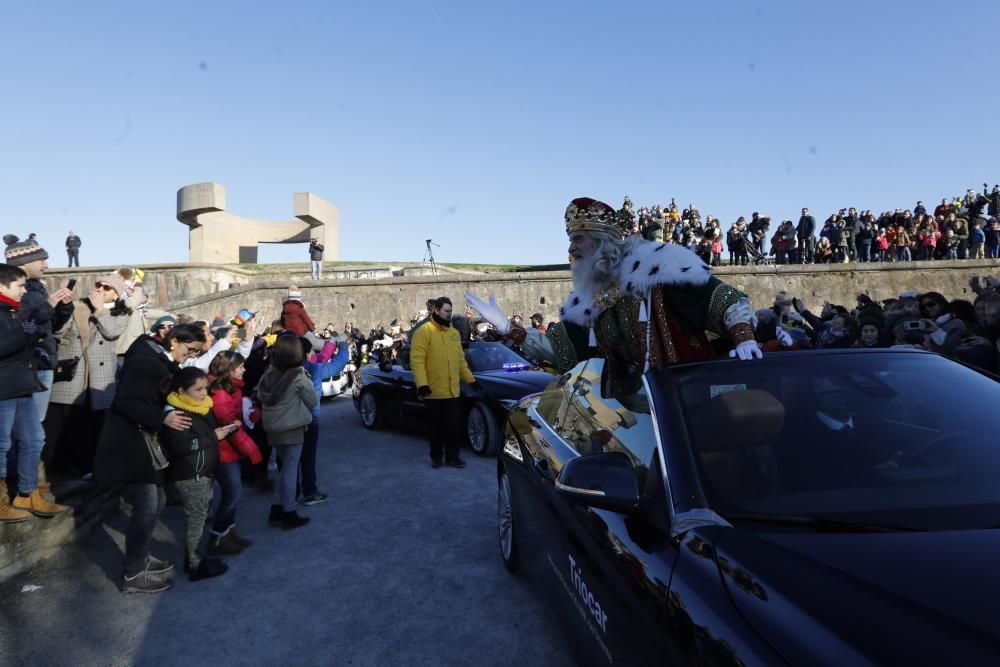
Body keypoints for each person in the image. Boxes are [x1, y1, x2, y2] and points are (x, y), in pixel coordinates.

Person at [468, 197, 760, 399]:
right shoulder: (589, 300)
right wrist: (509, 328)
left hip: (689, 397)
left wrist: (743, 336)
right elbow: (560, 348)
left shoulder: (660, 269)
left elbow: (723, 299)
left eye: (577, 239)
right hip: (640, 409)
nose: (571, 249)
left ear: (601, 240)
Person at [93, 322, 206, 593]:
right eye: (189, 350)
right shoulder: (145, 361)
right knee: (147, 504)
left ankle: (140, 559)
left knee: (158, 501)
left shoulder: (157, 359)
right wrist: (162, 417)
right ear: (175, 340)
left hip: (146, 441)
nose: (189, 356)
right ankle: (133, 573)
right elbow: (126, 402)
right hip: (131, 443)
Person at [3, 235, 74, 496]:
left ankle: (28, 483)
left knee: (33, 431)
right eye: (41, 259)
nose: (46, 264)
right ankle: (20, 484)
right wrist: (48, 306)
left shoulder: (35, 289)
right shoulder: (18, 295)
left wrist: (62, 309)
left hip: (37, 363)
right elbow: (25, 327)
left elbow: (42, 326)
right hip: (24, 367)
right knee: (20, 432)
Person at [47, 274, 131, 476]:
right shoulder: (78, 306)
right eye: (99, 285)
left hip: (98, 378)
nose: (101, 289)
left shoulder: (121, 313)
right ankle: (54, 471)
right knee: (61, 426)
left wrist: (100, 310)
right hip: (73, 374)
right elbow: (57, 332)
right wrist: (62, 309)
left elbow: (112, 333)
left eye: (107, 288)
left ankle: (86, 468)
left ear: (116, 295)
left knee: (92, 428)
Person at [159, 366, 232, 581]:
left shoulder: (200, 407)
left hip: (202, 472)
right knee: (197, 520)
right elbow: (180, 446)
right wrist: (213, 436)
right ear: (181, 391)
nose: (204, 394)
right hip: (191, 475)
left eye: (205, 388)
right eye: (198, 389)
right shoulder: (177, 414)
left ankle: (195, 558)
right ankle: (194, 564)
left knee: (199, 517)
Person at [256, 332, 315, 529]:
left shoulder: (269, 373)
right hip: (291, 427)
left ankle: (276, 508)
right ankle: (288, 512)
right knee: (290, 470)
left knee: (284, 469)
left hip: (272, 429)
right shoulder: (298, 375)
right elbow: (312, 401)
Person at [410, 296, 477, 469]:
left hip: (452, 391)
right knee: (436, 428)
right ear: (437, 310)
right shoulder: (423, 332)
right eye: (446, 311)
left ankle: (453, 458)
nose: (449, 314)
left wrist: (471, 379)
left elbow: (460, 361)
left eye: (451, 311)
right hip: (433, 391)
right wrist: (422, 384)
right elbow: (417, 361)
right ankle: (436, 458)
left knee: (453, 428)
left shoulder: (454, 334)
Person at [207, 351, 262, 553]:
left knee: (233, 492)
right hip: (224, 452)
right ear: (229, 370)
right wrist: (252, 450)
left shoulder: (229, 388)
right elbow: (230, 427)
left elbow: (237, 420)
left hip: (230, 450)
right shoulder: (221, 394)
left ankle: (228, 534)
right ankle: (216, 537)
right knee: (233, 492)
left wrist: (250, 414)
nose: (244, 370)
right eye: (240, 367)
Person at [299, 336, 349, 504]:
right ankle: (310, 493)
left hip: (289, 419)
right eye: (312, 350)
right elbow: (336, 365)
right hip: (310, 418)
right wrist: (343, 347)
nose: (314, 352)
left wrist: (331, 345)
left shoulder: (283, 367)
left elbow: (324, 356)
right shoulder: (314, 367)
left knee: (291, 460)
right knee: (308, 457)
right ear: (306, 353)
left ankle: (290, 494)